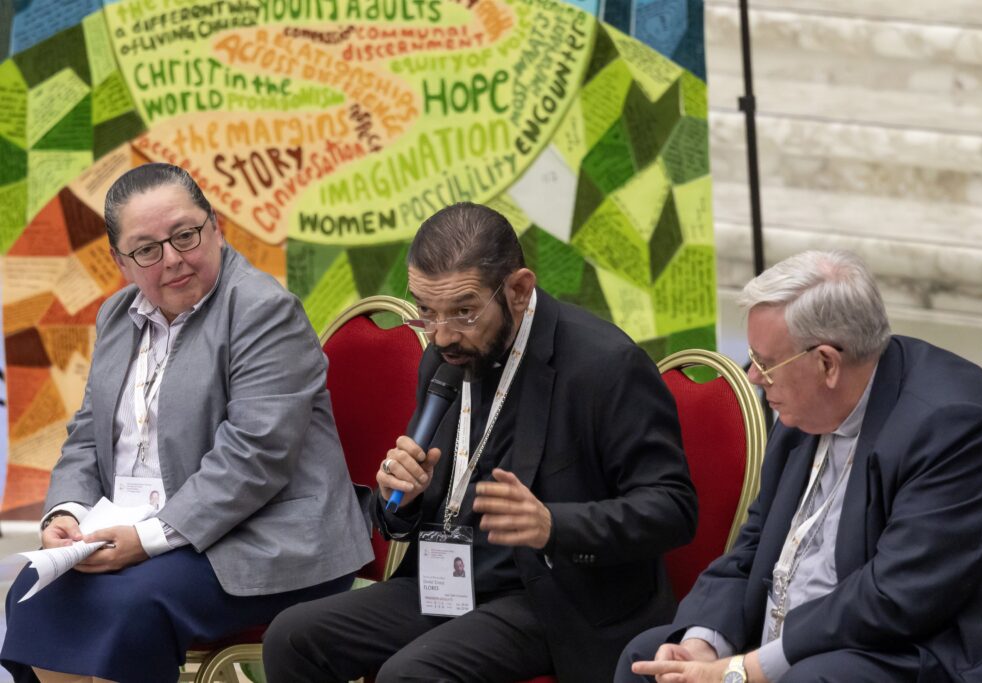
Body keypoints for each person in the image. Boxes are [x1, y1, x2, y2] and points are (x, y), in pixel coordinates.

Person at [263, 202, 698, 682]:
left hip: (555, 599)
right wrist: (404, 497)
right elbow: (425, 507)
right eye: (426, 312)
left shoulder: (605, 366)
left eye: (464, 312)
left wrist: (554, 524)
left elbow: (673, 508)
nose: (443, 334)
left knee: (411, 675)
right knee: (293, 637)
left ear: (518, 289)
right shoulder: (443, 357)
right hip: (450, 580)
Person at [1, 163, 374, 683]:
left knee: (127, 604)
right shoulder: (116, 314)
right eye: (148, 249)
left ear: (215, 226)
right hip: (144, 528)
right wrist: (65, 513)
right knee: (33, 590)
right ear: (122, 262)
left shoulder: (263, 310)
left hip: (266, 539)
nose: (173, 258)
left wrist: (147, 538)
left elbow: (254, 456)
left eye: (185, 234)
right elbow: (88, 434)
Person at [617, 250, 982, 683]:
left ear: (827, 362)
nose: (753, 375)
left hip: (923, 644)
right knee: (647, 660)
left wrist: (740, 670)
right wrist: (704, 642)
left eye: (766, 363)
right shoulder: (806, 403)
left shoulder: (952, 427)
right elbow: (756, 540)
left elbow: (895, 596)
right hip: (807, 632)